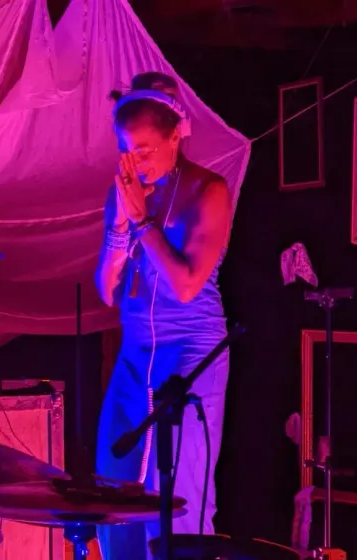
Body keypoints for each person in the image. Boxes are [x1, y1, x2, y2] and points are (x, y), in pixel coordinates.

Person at [95, 72, 232, 560]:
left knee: (177, 495)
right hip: (136, 352)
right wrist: (119, 227)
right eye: (127, 150)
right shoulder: (128, 191)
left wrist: (142, 221)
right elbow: (107, 291)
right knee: (114, 484)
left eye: (146, 149)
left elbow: (186, 285)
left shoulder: (208, 190)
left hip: (191, 353)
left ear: (177, 136)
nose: (136, 162)